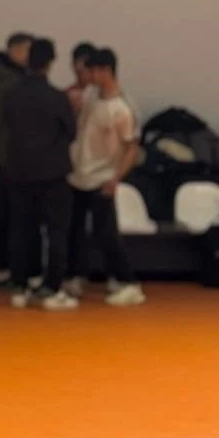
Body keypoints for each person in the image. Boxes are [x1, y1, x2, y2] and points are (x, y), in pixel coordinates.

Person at [1, 39, 79, 310]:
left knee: (21, 230)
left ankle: (20, 286)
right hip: (52, 174)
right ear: (49, 63)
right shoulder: (56, 97)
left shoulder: (11, 95)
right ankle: (51, 287)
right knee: (56, 232)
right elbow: (71, 132)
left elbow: (6, 125)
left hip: (18, 171)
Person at [66, 48, 147, 306]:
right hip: (78, 174)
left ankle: (129, 282)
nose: (86, 76)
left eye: (90, 71)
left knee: (106, 232)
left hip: (102, 177)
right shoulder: (90, 95)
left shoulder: (122, 108)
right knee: (75, 229)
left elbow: (132, 147)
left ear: (105, 71)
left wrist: (116, 178)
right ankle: (76, 275)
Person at [0, 32, 33, 287]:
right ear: (15, 50)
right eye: (27, 50)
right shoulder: (7, 81)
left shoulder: (2, 76)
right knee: (13, 217)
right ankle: (10, 270)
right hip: (10, 157)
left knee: (8, 216)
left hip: (5, 155)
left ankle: (4, 269)